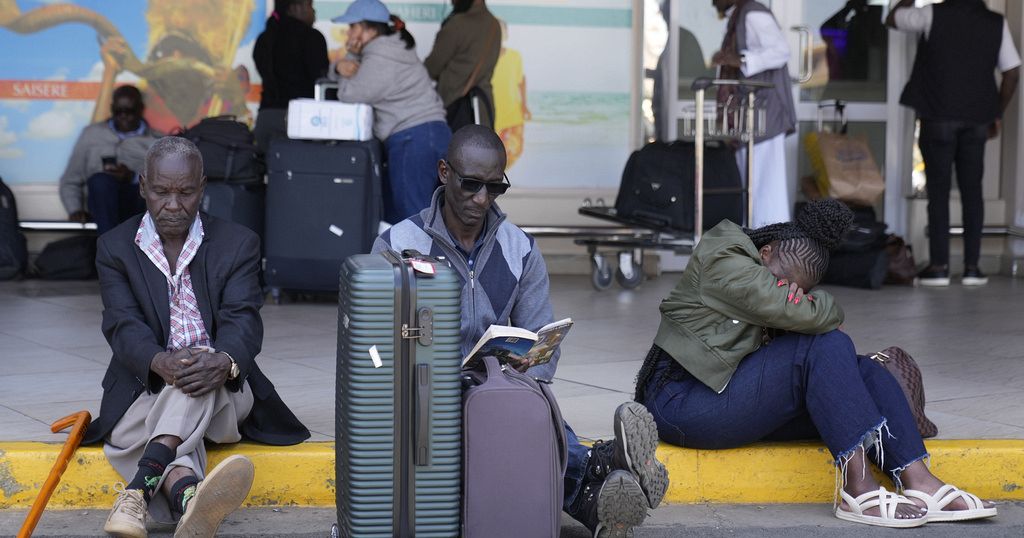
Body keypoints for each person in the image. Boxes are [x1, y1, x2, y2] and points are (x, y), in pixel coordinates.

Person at [372, 125, 669, 537]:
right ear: (444, 172)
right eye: (471, 184)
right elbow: (375, 344)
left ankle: (598, 498)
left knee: (524, 410)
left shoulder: (521, 248)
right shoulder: (398, 244)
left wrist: (533, 363)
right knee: (500, 428)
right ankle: (602, 468)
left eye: (495, 188)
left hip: (495, 389)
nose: (481, 199)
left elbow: (539, 334)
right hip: (426, 396)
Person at [634, 199, 997, 528]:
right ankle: (858, 489)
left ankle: (919, 480)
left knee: (863, 370)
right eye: (781, 282)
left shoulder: (765, 271)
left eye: (797, 290)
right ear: (765, 251)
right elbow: (808, 315)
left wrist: (807, 304)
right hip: (682, 405)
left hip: (728, 395)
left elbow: (801, 313)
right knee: (824, 344)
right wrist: (812, 305)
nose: (786, 291)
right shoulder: (723, 257)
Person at [86, 137, 310, 538]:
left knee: (193, 378)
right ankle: (188, 498)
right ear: (143, 186)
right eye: (161, 191)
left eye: (186, 192)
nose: (173, 204)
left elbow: (243, 321)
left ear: (202, 187)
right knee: (131, 423)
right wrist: (159, 362)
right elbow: (122, 324)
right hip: (148, 385)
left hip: (222, 390)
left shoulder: (238, 243)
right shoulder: (115, 247)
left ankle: (136, 492)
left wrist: (223, 361)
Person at [887, 0, 1021, 287]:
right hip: (977, 120)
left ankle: (939, 268)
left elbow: (893, 18)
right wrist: (995, 112)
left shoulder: (931, 13)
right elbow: (1012, 72)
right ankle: (972, 268)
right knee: (973, 191)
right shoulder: (996, 22)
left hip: (938, 116)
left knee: (939, 190)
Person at [329, 0, 451, 224]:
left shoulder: (379, 57)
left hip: (412, 140)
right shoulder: (392, 48)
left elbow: (350, 94)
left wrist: (346, 61)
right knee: (435, 215)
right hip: (433, 134)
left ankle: (426, 260)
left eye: (352, 27)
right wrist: (341, 66)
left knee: (414, 219)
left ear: (369, 30)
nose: (348, 33)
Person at [710, 0, 797, 227]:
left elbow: (780, 51)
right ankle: (757, 250)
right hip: (750, 117)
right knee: (754, 192)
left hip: (763, 116)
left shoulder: (752, 13)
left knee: (766, 194)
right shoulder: (739, 15)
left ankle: (771, 254)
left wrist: (739, 60)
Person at [59, 85, 158, 235]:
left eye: (129, 111)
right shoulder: (91, 135)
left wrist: (132, 177)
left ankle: (112, 250)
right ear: (112, 109)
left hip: (138, 207)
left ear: (141, 109)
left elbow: (166, 186)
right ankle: (111, 248)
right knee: (100, 181)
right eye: (118, 112)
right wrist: (75, 209)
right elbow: (70, 180)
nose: (123, 116)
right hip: (101, 209)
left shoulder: (157, 141)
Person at [252, 0, 329, 152]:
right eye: (310, 5)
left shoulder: (264, 39)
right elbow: (322, 81)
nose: (314, 12)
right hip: (300, 122)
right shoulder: (311, 37)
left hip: (265, 120)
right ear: (295, 8)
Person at [424, 0, 501, 129]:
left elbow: (431, 68)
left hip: (455, 107)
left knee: (454, 148)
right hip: (483, 109)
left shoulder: (458, 24)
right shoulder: (494, 24)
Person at [491, 19, 531, 169]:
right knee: (493, 152)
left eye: (502, 31)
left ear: (506, 34)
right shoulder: (485, 58)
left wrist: (525, 105)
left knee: (515, 150)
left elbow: (521, 81)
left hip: (513, 113)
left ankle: (500, 177)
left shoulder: (515, 56)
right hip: (493, 115)